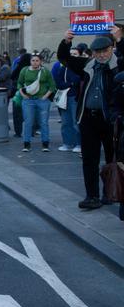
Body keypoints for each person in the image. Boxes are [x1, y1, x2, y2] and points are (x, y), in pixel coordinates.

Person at [58, 28, 124, 209]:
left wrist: (121, 38)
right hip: (88, 118)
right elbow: (64, 59)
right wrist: (66, 42)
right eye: (97, 52)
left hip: (111, 120)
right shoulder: (87, 65)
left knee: (113, 159)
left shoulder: (119, 64)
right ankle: (92, 196)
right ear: (93, 53)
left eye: (105, 51)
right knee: (89, 159)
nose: (101, 55)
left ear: (112, 49)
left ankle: (110, 193)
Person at [16, 54, 56, 152]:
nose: (35, 62)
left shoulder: (45, 71)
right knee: (28, 122)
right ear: (30, 61)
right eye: (33, 60)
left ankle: (45, 144)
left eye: (37, 60)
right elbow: (19, 83)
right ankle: (26, 144)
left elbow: (52, 85)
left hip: (42, 100)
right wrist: (23, 94)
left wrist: (45, 96)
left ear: (40, 61)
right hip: (28, 100)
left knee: (43, 123)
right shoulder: (25, 70)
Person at [52, 50, 82, 153]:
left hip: (75, 98)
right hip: (64, 98)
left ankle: (79, 144)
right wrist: (70, 84)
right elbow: (58, 84)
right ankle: (67, 143)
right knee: (65, 122)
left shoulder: (80, 68)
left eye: (75, 54)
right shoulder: (63, 68)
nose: (72, 56)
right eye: (71, 54)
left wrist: (69, 83)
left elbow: (78, 80)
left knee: (76, 122)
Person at [10, 49, 31, 137]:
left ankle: (18, 132)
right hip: (29, 93)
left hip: (18, 93)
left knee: (17, 113)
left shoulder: (18, 67)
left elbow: (12, 76)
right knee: (30, 113)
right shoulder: (31, 69)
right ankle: (31, 131)